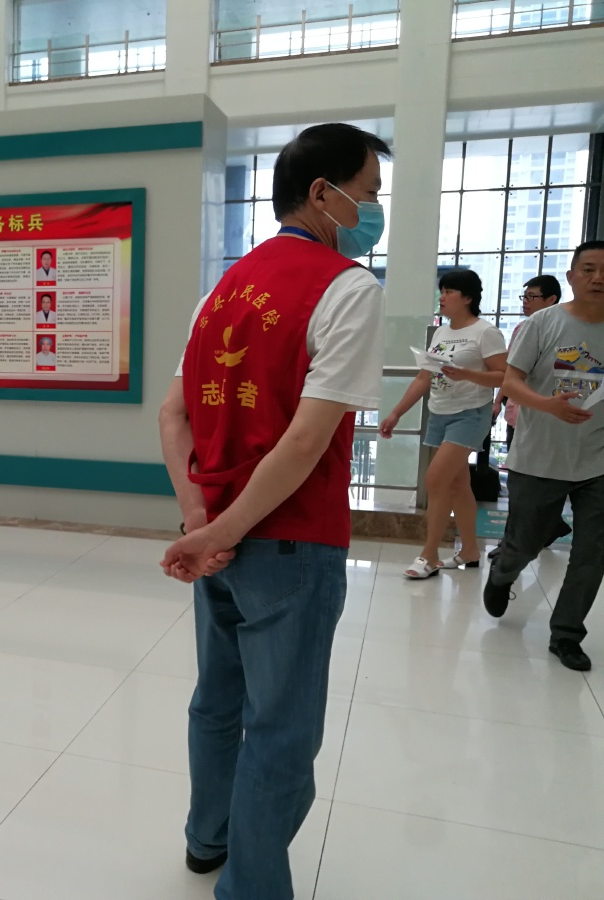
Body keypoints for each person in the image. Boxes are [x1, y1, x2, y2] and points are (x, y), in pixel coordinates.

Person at [158, 123, 389, 900]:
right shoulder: (347, 288)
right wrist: (221, 531)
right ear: (322, 194)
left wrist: (200, 522)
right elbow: (304, 443)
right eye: (369, 193)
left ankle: (207, 839)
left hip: (217, 542)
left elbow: (171, 414)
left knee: (217, 699)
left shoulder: (221, 291)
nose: (373, 209)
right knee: (281, 730)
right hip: (290, 543)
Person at [484, 240, 604, 671]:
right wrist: (547, 405)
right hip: (539, 457)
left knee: (593, 552)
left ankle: (566, 634)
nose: (598, 278)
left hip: (597, 460)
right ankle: (503, 572)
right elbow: (510, 381)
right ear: (571, 276)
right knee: (527, 542)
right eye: (588, 269)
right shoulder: (543, 324)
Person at [380, 270, 507, 578]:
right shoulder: (440, 333)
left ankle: (430, 555)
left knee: (435, 479)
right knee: (457, 484)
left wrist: (467, 374)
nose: (443, 297)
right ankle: (470, 551)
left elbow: (504, 376)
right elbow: (424, 377)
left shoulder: (485, 332)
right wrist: (396, 413)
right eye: (443, 291)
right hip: (440, 413)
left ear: (467, 298)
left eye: (449, 291)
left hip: (470, 414)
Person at [489, 275, 571, 558]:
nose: (525, 302)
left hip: (549, 419)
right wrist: (498, 402)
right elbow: (511, 374)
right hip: (519, 416)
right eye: (524, 297)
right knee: (518, 483)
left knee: (542, 482)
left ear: (551, 300)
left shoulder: (564, 331)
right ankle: (519, 539)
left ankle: (536, 531)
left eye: (532, 297)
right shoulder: (522, 329)